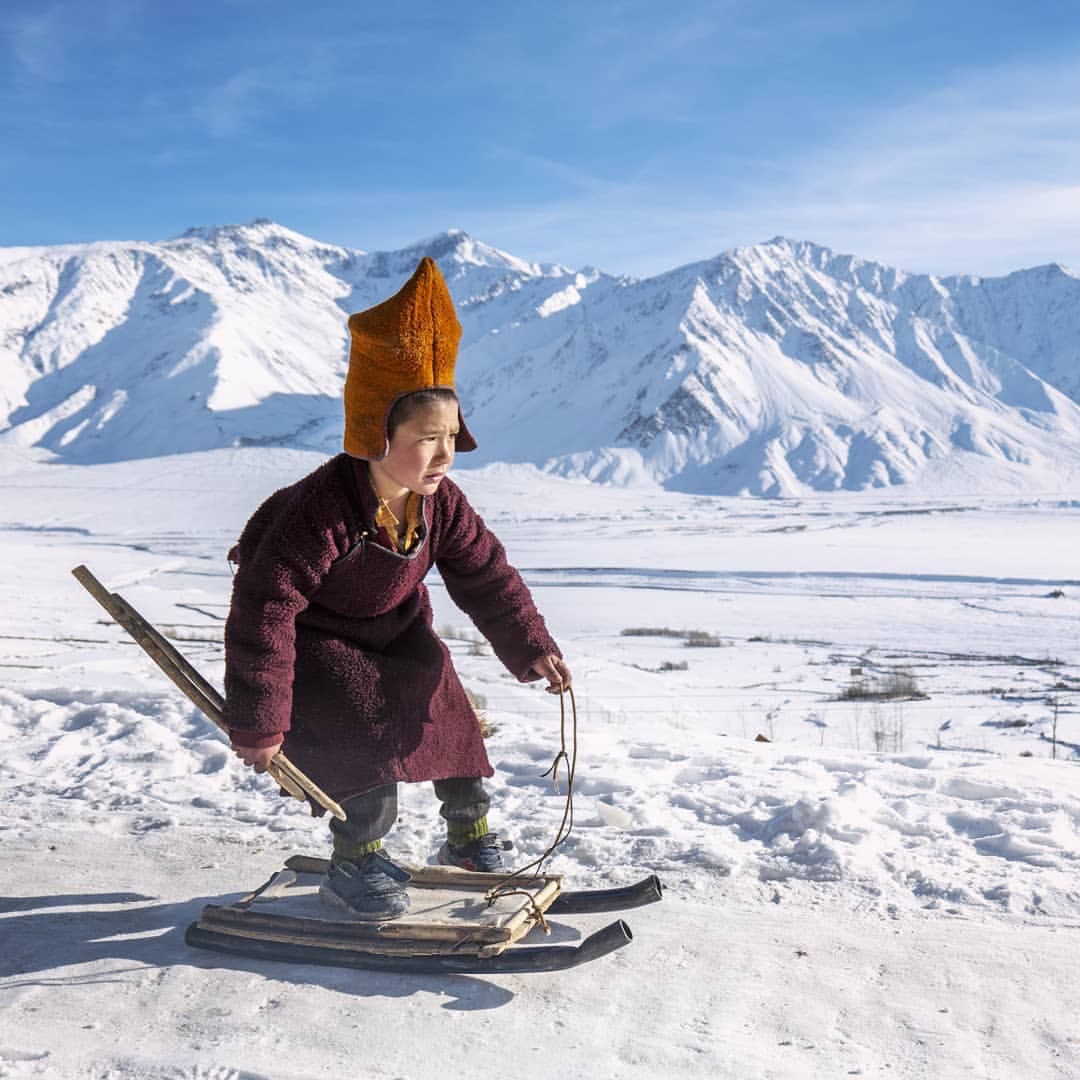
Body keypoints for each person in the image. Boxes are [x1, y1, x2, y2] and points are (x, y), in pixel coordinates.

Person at [222, 256, 571, 920]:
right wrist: (260, 718)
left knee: (447, 711)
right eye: (426, 439)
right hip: (317, 642)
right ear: (376, 435)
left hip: (396, 630)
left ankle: (468, 837)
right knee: (367, 733)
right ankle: (355, 862)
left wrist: (532, 647)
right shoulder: (320, 510)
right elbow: (265, 610)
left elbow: (486, 573)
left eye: (449, 437)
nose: (444, 455)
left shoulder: (442, 503)